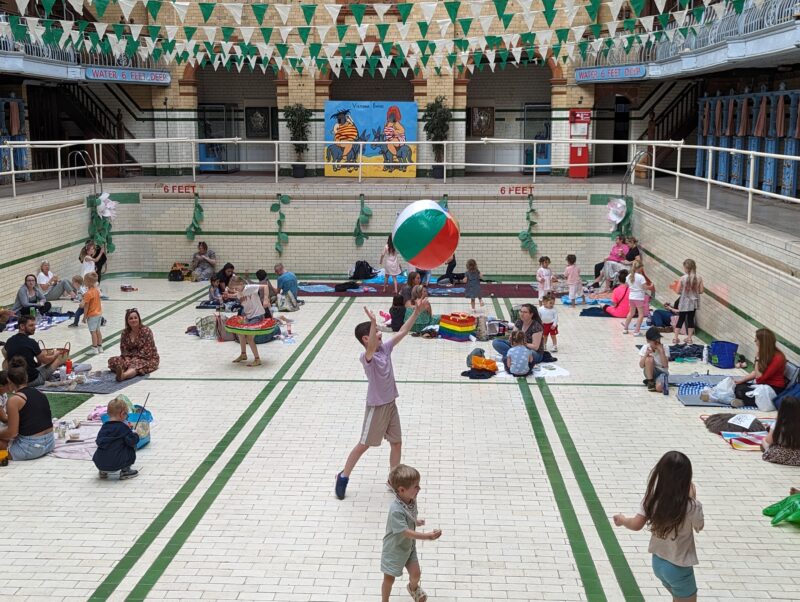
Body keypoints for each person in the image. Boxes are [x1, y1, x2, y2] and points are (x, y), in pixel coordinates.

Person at [335, 302, 423, 500]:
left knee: (397, 443)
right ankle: (343, 476)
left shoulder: (385, 349)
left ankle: (394, 480)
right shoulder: (367, 357)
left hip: (391, 404)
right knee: (364, 444)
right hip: (376, 407)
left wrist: (416, 312)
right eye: (376, 333)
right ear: (366, 339)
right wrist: (373, 322)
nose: (381, 335)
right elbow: (371, 349)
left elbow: (403, 330)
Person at [613, 451, 703, 602]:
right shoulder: (691, 505)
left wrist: (623, 520)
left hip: (658, 563)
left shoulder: (652, 499)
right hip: (679, 567)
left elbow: (636, 525)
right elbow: (699, 526)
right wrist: (693, 498)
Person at [381, 464, 442, 602]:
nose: (419, 488)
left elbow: (408, 515)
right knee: (389, 580)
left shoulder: (411, 500)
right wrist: (427, 536)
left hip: (408, 547)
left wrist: (415, 521)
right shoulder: (395, 510)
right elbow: (405, 532)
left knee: (416, 574)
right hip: (394, 550)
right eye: (416, 486)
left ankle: (413, 588)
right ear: (402, 490)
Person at [0, 357, 56, 460]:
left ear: (9, 381)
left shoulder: (14, 400)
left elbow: (12, 432)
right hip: (50, 442)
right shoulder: (40, 393)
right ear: (26, 378)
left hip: (31, 448)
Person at [1, 314, 66, 387]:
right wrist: (56, 354)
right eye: (31, 325)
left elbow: (3, 351)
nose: (34, 328)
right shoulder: (31, 342)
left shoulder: (10, 340)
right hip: (31, 380)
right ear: (22, 326)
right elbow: (45, 361)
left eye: (34, 325)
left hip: (15, 380)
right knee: (58, 359)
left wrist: (8, 358)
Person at [733, 328, 787, 407]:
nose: (755, 341)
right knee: (737, 387)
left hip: (773, 389)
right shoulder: (767, 354)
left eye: (756, 340)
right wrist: (742, 380)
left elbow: (759, 378)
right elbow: (755, 372)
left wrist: (757, 358)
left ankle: (746, 402)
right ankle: (747, 400)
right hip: (763, 386)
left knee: (742, 391)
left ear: (763, 342)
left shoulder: (778, 358)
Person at [227, 277, 272, 367]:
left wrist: (266, 298)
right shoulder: (239, 292)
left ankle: (257, 359)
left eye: (236, 287)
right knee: (240, 333)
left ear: (241, 284)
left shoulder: (249, 287)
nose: (235, 290)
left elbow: (265, 286)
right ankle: (243, 354)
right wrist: (230, 295)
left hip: (257, 315)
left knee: (249, 337)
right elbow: (239, 294)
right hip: (248, 316)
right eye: (234, 289)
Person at [92, 396, 140, 479]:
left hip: (100, 464)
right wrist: (134, 433)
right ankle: (125, 471)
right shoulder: (123, 428)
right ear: (122, 414)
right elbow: (132, 441)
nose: (127, 417)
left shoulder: (104, 427)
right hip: (117, 463)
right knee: (132, 445)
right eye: (126, 415)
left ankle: (103, 471)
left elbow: (98, 441)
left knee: (108, 447)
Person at [108, 309, 160, 382]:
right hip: (129, 358)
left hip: (147, 358)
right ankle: (134, 370)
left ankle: (124, 376)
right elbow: (124, 350)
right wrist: (127, 359)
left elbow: (147, 351)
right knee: (113, 360)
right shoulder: (125, 333)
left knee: (135, 364)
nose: (133, 320)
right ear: (127, 321)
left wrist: (132, 360)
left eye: (135, 318)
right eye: (131, 318)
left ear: (139, 319)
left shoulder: (146, 331)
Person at [761, 396, 800, 466]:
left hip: (779, 456)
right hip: (798, 457)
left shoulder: (778, 424)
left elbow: (769, 441)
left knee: (764, 440)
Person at [673, 259, 704, 346]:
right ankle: (689, 338)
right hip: (693, 303)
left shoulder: (682, 278)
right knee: (691, 319)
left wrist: (683, 292)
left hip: (684, 302)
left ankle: (675, 338)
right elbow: (701, 291)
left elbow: (677, 291)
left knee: (681, 319)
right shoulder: (699, 278)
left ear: (686, 268)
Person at [622, 260, 653, 336]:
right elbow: (645, 287)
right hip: (639, 297)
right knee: (641, 314)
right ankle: (636, 331)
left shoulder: (628, 276)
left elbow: (626, 286)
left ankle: (625, 329)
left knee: (631, 313)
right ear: (639, 268)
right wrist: (651, 286)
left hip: (631, 297)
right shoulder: (641, 277)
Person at [640, 327, 669, 393]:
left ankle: (656, 382)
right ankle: (650, 382)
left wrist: (661, 351)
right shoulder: (645, 347)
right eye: (654, 340)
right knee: (649, 359)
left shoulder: (665, 347)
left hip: (662, 372)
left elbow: (665, 365)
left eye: (658, 338)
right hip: (649, 371)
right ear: (648, 340)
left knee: (659, 388)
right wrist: (646, 354)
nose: (657, 341)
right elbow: (641, 365)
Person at [81, 272, 103, 354]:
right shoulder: (96, 291)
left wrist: (84, 317)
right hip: (99, 313)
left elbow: (86, 306)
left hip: (92, 315)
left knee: (93, 332)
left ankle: (94, 348)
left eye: (85, 281)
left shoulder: (88, 293)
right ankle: (100, 347)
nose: (84, 282)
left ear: (89, 282)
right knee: (98, 331)